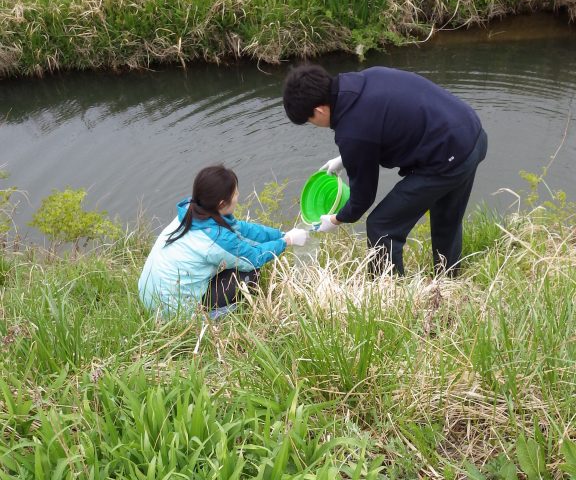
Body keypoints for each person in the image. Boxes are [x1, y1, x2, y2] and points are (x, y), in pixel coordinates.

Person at [283, 64, 488, 275]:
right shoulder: (365, 78)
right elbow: (384, 121)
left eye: (310, 120)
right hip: (471, 134)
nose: (314, 124)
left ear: (319, 110)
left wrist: (335, 219)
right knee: (447, 219)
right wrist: (347, 158)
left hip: (448, 157)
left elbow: (362, 199)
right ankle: (448, 278)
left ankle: (390, 294)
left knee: (382, 226)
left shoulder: (353, 132)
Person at [138, 164, 307, 316]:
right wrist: (287, 241)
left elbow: (243, 229)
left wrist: (281, 234)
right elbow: (254, 258)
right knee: (249, 273)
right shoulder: (216, 240)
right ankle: (212, 315)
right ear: (221, 203)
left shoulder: (193, 212)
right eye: (235, 193)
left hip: (149, 297)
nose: (238, 195)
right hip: (173, 312)